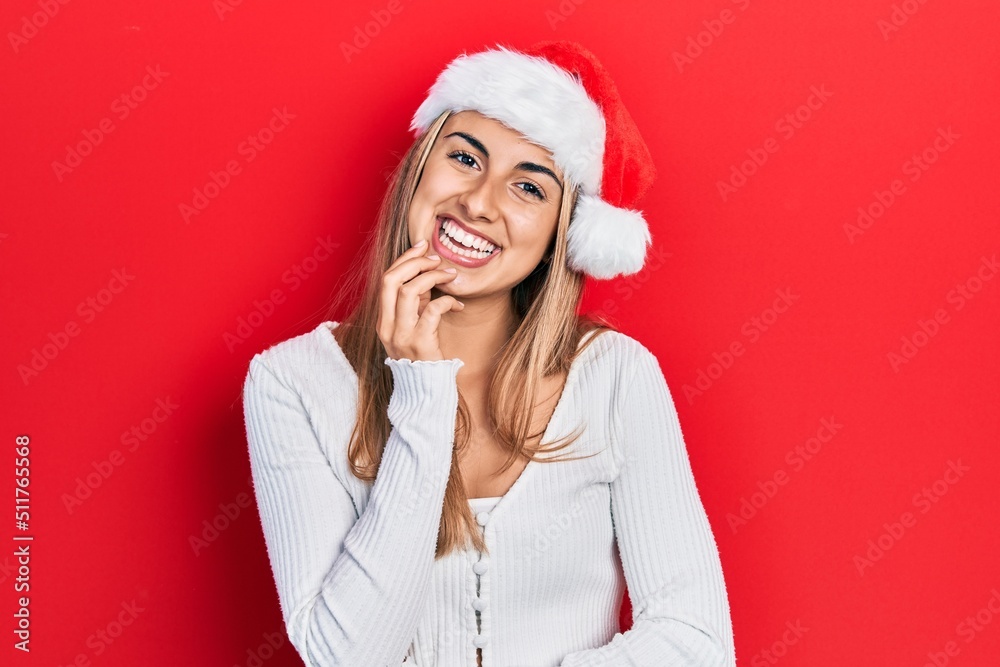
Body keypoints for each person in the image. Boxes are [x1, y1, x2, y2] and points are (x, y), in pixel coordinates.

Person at [242, 41, 735, 667]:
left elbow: (696, 642)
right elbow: (349, 657)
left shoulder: (615, 376)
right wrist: (420, 391)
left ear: (562, 231)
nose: (480, 202)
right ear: (420, 168)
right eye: (465, 157)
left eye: (528, 187)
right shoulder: (289, 384)